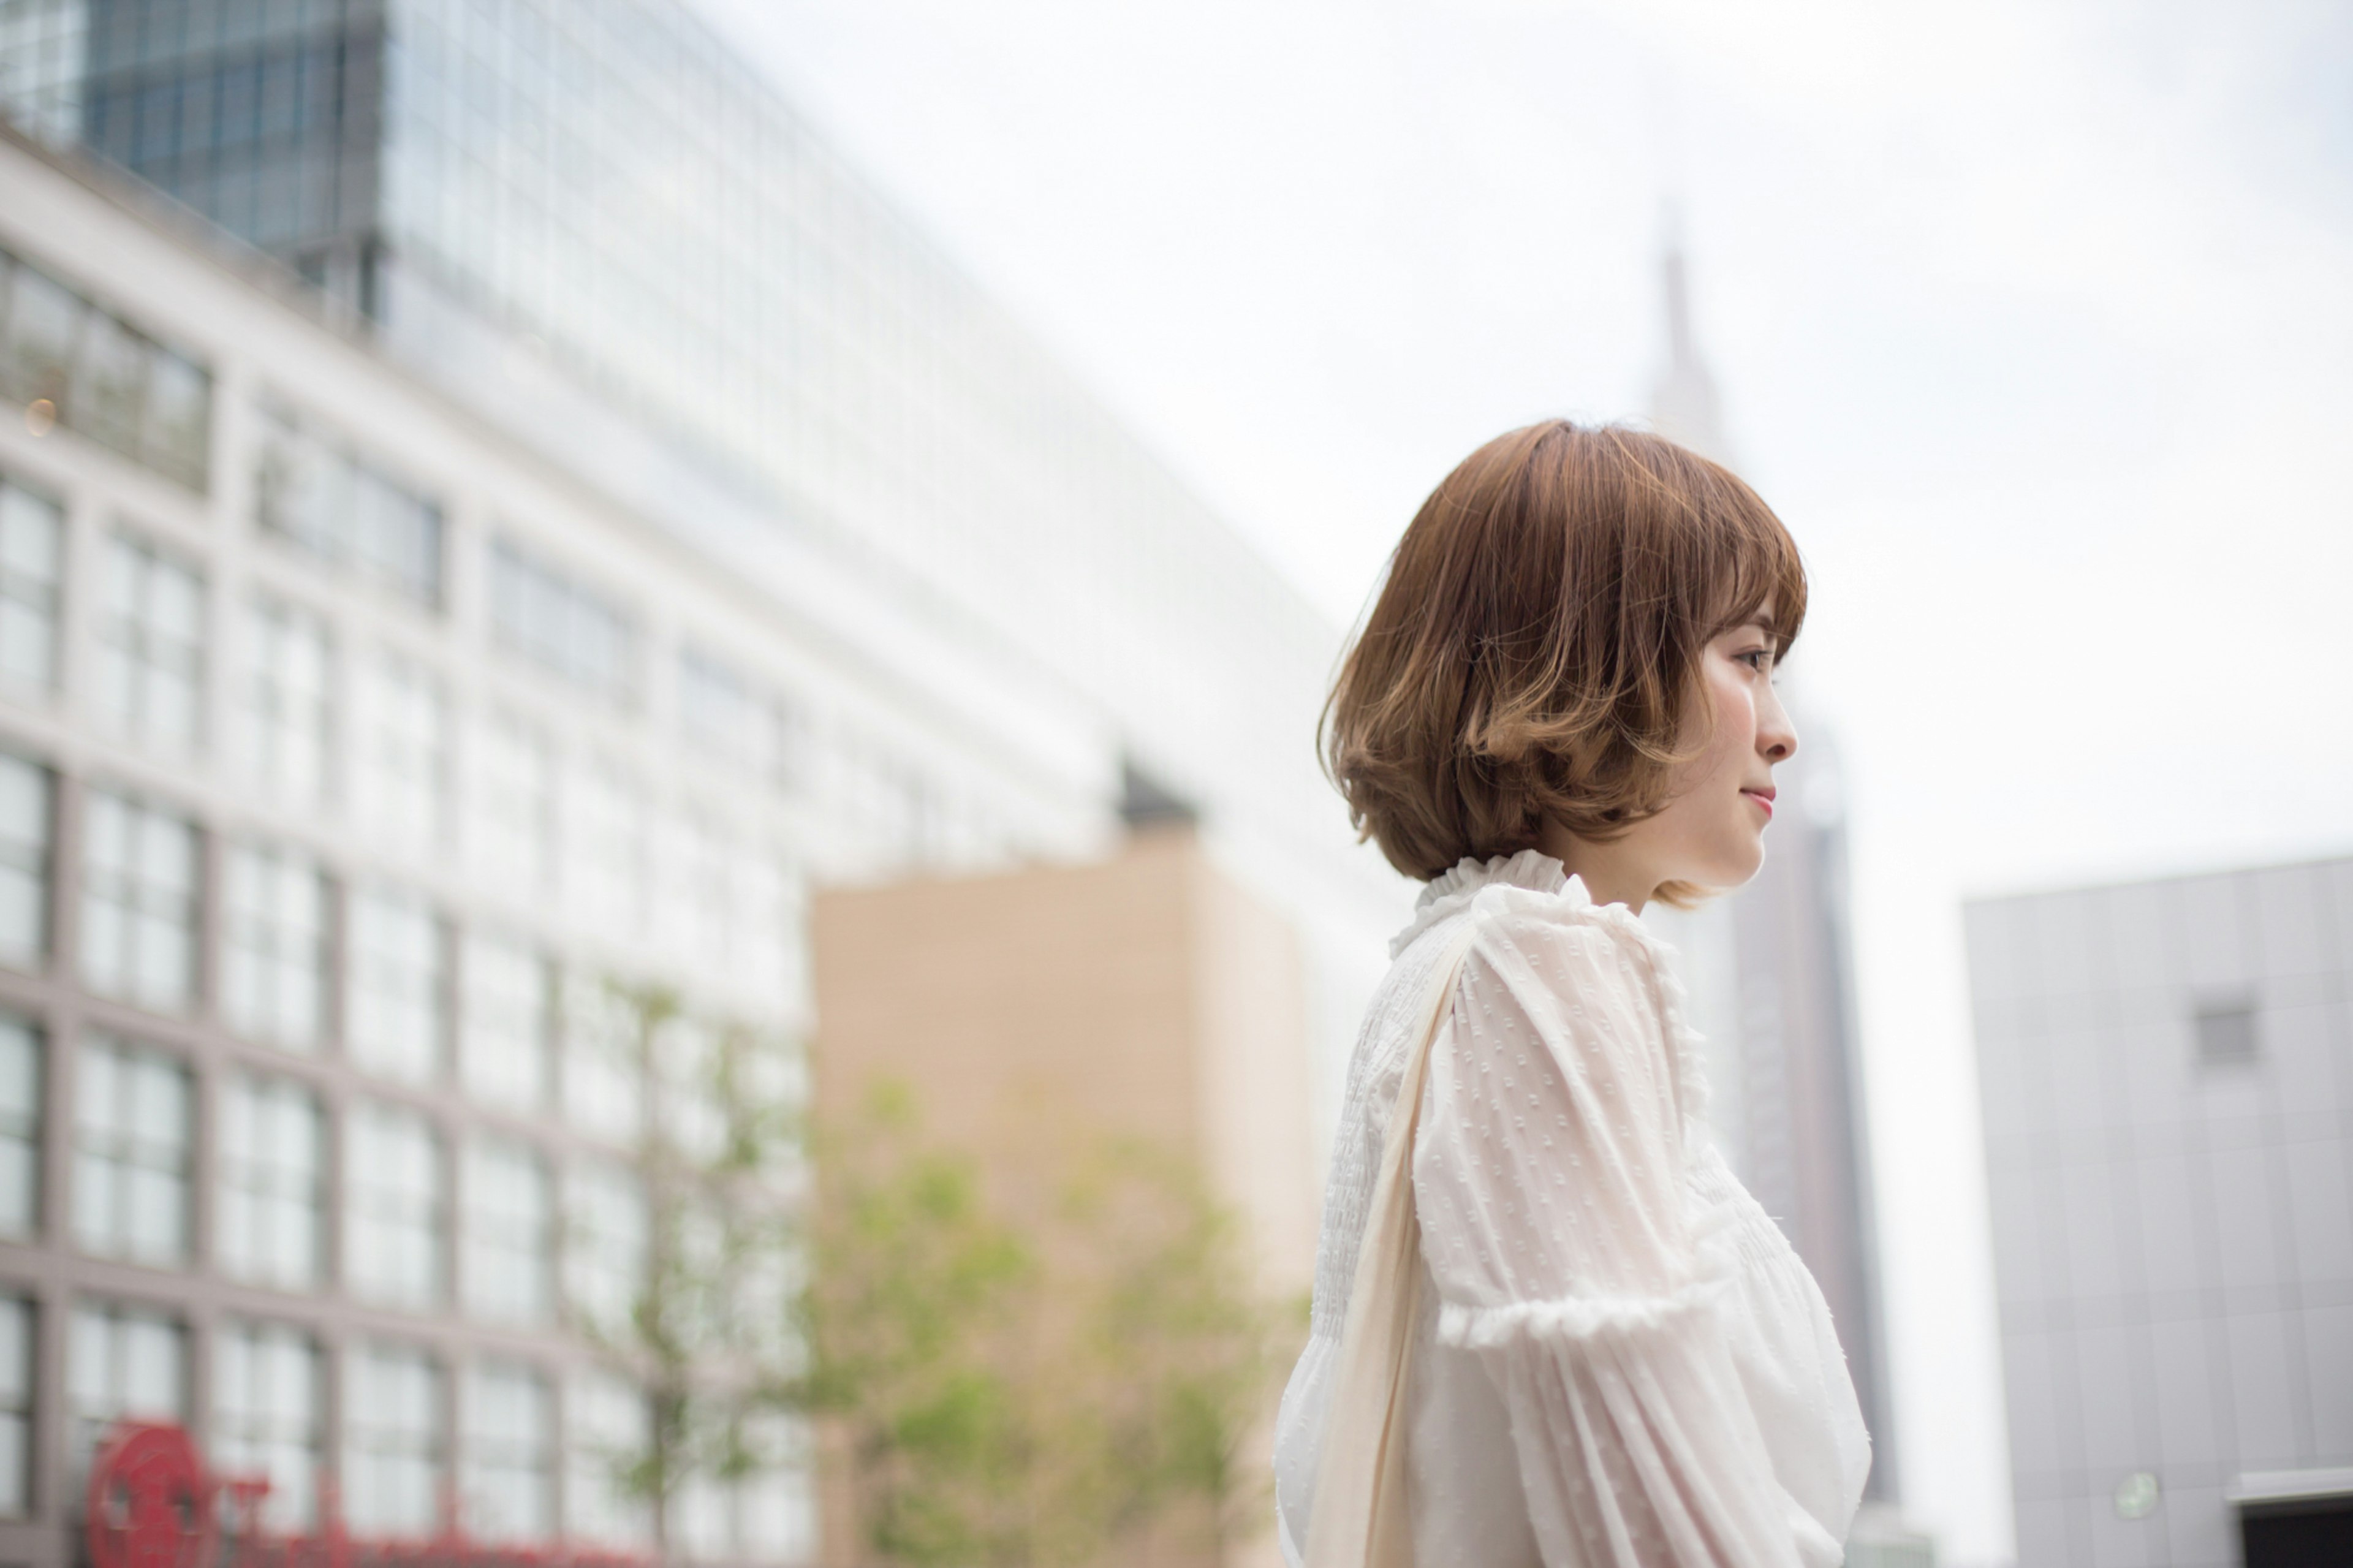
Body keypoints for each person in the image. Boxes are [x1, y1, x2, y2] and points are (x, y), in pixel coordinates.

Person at [1273, 421, 1872, 1566]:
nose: (1782, 729)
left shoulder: (1454, 974)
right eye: (1747, 658)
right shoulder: (1532, 975)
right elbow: (1649, 1529)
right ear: (1591, 667)